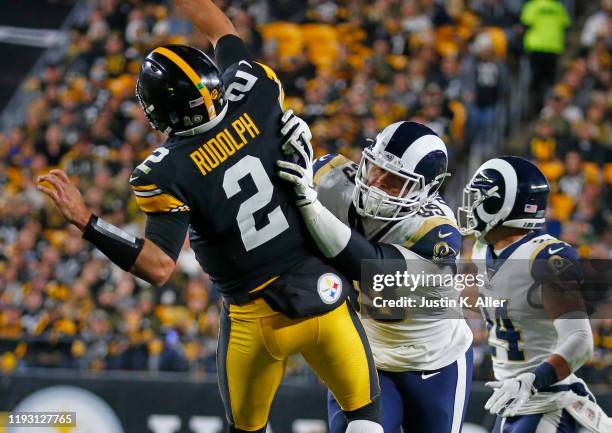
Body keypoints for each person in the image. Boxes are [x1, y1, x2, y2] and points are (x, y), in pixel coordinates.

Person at [36, 1, 383, 432]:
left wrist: (88, 222)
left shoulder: (164, 171)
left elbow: (160, 267)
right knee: (365, 416)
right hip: (323, 293)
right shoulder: (254, 88)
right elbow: (221, 30)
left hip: (252, 321)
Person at [277, 117, 473, 432]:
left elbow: (369, 264)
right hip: (367, 357)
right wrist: (273, 141)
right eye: (375, 168)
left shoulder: (436, 234)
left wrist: (308, 206)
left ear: (427, 190)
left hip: (436, 363)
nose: (377, 183)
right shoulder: (329, 180)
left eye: (394, 180)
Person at [458, 156, 610, 432]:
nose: (472, 205)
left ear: (504, 205)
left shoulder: (545, 259)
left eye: (480, 197)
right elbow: (493, 301)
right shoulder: (484, 249)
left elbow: (580, 340)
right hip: (512, 401)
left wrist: (531, 380)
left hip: (549, 404)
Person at [520, 0, 571, 115]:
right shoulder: (558, 6)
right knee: (549, 82)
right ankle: (546, 107)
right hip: (553, 48)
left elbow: (526, 24)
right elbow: (566, 26)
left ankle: (534, 109)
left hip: (536, 47)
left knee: (535, 82)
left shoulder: (533, 5)